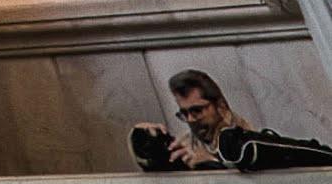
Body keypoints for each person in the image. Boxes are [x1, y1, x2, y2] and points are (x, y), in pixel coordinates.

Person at [131, 65, 332, 172]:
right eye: (184, 113)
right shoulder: (187, 144)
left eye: (197, 110)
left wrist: (214, 164)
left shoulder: (238, 141)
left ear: (220, 105)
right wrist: (147, 137)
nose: (191, 119)